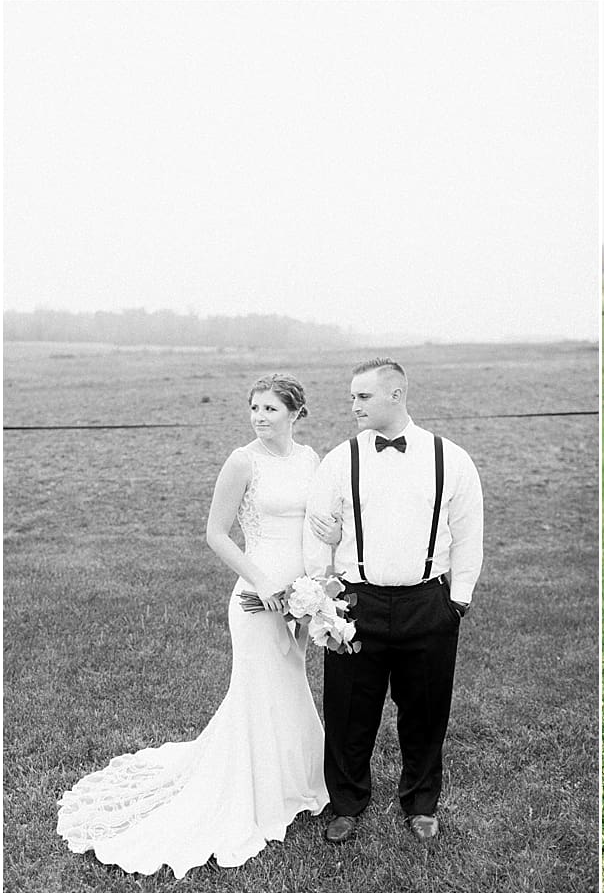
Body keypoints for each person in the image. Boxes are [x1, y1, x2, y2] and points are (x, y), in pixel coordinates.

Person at [57, 373, 339, 879]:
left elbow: (314, 526)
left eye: (271, 408)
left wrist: (314, 585)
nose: (259, 416)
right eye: (255, 407)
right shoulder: (242, 461)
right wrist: (262, 581)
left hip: (299, 595)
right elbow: (215, 533)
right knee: (258, 689)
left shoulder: (310, 459)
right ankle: (250, 792)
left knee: (291, 684)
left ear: (296, 413)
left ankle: (296, 782)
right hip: (256, 596)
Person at [303, 357, 484, 844]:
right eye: (352, 396)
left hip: (428, 603)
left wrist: (458, 601)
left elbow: (469, 535)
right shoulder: (339, 460)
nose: (354, 405)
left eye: (363, 396)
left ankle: (421, 803)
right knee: (348, 710)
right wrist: (323, 599)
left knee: (426, 710)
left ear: (396, 395)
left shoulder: (451, 459)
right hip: (355, 603)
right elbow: (315, 532)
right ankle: (346, 803)